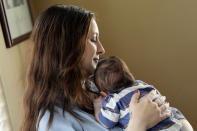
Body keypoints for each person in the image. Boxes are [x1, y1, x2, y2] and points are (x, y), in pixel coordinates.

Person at [21, 5, 173, 131]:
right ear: (67, 47)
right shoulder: (53, 123)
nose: (102, 49)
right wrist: (138, 125)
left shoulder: (93, 94)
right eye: (93, 39)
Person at [93, 56, 193, 131]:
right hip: (174, 126)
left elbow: (106, 123)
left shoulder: (113, 99)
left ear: (104, 93)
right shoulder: (142, 84)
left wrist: (98, 107)